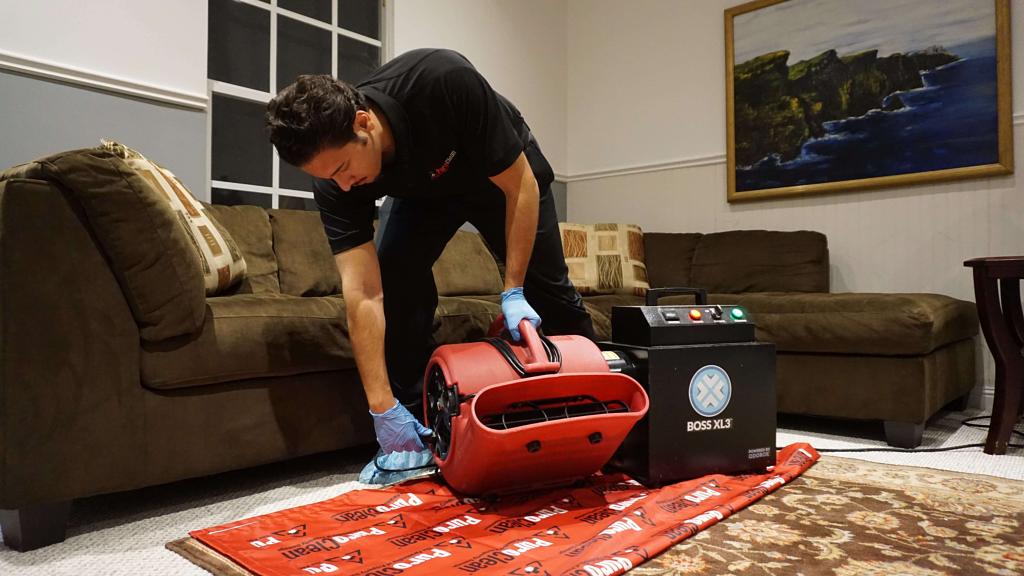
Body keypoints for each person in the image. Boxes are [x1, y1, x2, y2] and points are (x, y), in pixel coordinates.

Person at [265, 48, 596, 477]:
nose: (344, 186)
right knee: (395, 281)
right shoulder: (337, 184)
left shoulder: (442, 80)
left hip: (500, 175)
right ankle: (419, 422)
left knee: (549, 292)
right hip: (424, 191)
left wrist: (513, 289)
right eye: (329, 177)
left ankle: (600, 399)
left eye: (344, 167)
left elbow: (521, 187)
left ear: (364, 122)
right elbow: (363, 294)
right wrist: (381, 406)